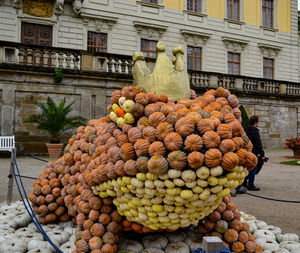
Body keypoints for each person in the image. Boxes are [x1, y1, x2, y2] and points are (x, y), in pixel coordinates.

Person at [236, 115, 265, 194]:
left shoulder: (245, 129)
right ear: (256, 122)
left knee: (246, 167)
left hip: (245, 151)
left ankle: (244, 182)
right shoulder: (255, 131)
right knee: (253, 167)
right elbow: (258, 144)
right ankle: (251, 184)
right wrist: (262, 154)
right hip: (253, 152)